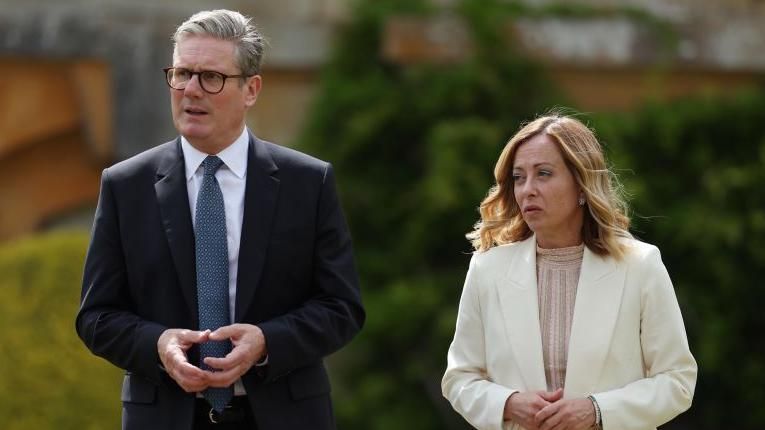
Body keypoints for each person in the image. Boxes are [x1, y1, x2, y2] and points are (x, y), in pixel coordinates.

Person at [76, 9, 364, 430]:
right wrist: (157, 344)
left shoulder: (308, 182)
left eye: (211, 77)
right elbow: (96, 316)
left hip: (284, 414)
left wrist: (267, 341)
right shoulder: (125, 185)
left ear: (251, 89)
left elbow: (342, 307)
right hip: (165, 415)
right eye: (181, 73)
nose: (191, 90)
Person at [441, 114, 696, 430]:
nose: (528, 190)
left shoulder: (640, 266)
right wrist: (508, 403)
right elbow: (459, 378)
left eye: (543, 174)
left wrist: (597, 411)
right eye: (519, 177)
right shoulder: (487, 269)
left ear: (582, 185)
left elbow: (677, 381)